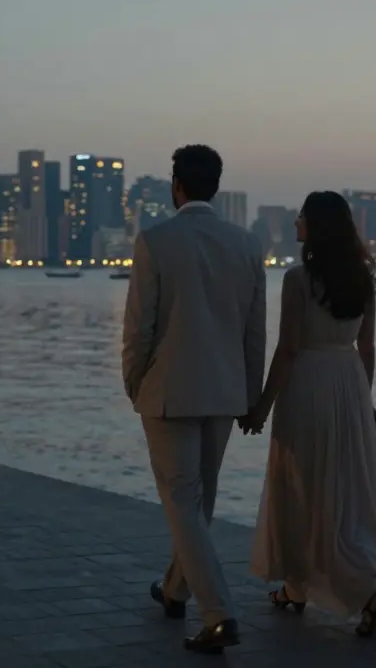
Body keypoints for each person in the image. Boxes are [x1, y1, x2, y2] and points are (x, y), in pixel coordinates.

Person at [121, 144, 267, 654]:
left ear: (176, 187)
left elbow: (140, 325)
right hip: (224, 393)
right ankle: (174, 590)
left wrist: (133, 380)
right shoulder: (247, 246)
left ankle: (219, 614)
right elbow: (254, 333)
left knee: (183, 502)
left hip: (168, 391)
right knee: (198, 501)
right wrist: (251, 396)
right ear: (216, 187)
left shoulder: (156, 241)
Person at [240, 190, 376, 637]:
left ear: (316, 227)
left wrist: (261, 408)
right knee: (345, 492)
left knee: (301, 484)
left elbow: (289, 349)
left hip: (308, 384)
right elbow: (366, 348)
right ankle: (301, 587)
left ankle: (362, 590)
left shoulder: (298, 280)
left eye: (301, 219)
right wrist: (363, 403)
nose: (295, 226)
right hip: (347, 383)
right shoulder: (363, 281)